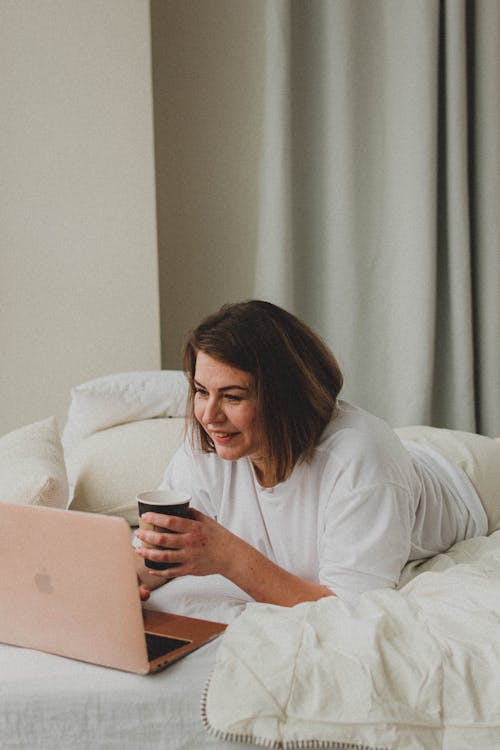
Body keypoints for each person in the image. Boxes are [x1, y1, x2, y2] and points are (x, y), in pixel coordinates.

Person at [134, 300, 493, 608]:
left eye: (232, 397)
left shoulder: (361, 458)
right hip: (401, 461)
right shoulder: (212, 442)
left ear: (283, 396)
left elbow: (350, 609)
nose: (209, 416)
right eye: (201, 391)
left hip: (467, 476)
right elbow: (157, 554)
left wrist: (229, 557)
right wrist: (126, 581)